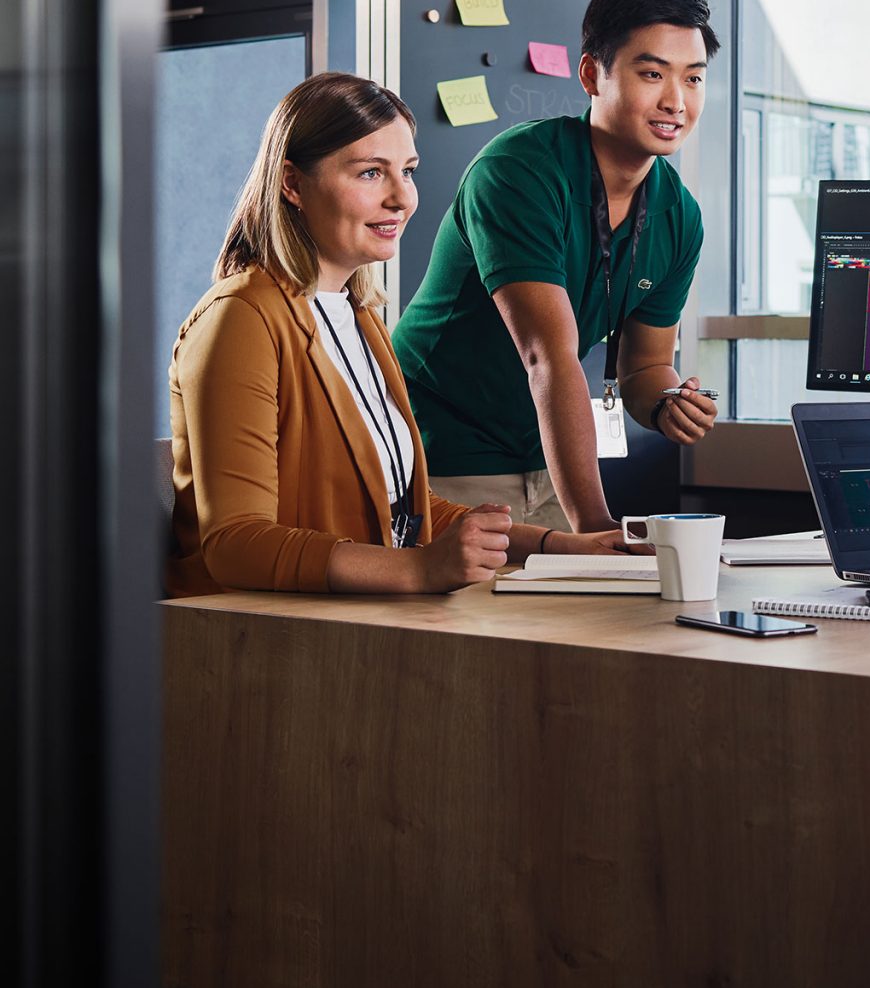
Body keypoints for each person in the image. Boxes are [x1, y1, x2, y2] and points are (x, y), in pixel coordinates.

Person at [167, 73, 630, 599]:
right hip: (258, 636)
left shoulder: (359, 316)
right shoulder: (241, 317)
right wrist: (419, 570)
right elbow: (236, 543)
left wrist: (559, 545)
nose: (400, 198)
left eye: (406, 172)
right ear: (292, 184)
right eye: (369, 173)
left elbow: (405, 509)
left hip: (351, 619)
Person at [393, 0, 719, 535]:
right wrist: (595, 526)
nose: (676, 101)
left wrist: (667, 401)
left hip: (549, 461)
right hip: (439, 454)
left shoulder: (679, 216)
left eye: (693, 79)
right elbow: (549, 355)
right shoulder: (519, 171)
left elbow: (643, 365)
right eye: (652, 73)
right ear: (592, 75)